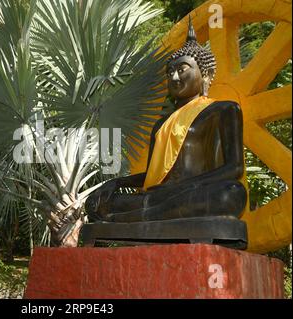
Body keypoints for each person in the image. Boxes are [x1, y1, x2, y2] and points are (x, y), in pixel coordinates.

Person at [84, 19, 248, 242]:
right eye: (170, 72)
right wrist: (117, 182)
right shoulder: (161, 125)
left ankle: (132, 219)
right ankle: (144, 216)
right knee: (95, 203)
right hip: (158, 196)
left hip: (191, 193)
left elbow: (234, 167)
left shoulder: (222, 110)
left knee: (231, 194)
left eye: (182, 69)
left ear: (206, 74)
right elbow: (154, 175)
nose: (174, 77)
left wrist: (178, 188)